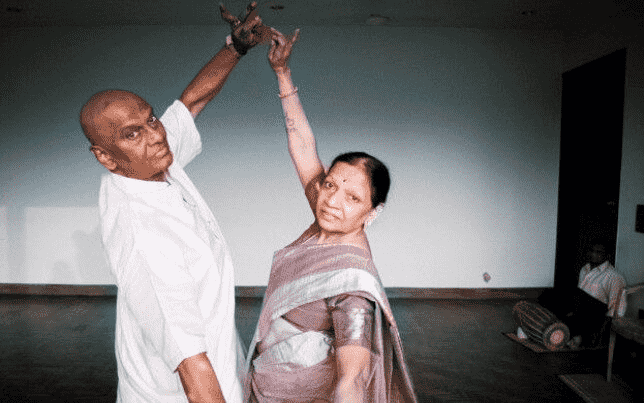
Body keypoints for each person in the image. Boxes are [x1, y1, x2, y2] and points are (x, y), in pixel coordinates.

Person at [79, 3, 269, 402]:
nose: (156, 135)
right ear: (105, 156)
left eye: (150, 119)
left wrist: (234, 48)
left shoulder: (149, 163)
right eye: (133, 133)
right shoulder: (144, 236)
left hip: (220, 370)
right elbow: (190, 364)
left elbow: (191, 103)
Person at [241, 28, 417, 403]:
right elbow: (303, 145)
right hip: (267, 378)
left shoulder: (353, 284)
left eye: (353, 197)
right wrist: (282, 72)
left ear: (374, 211)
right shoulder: (327, 216)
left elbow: (350, 380)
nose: (333, 201)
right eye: (331, 184)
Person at [515, 240, 626, 349]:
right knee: (549, 296)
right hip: (580, 308)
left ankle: (574, 336)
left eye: (598, 252)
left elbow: (618, 310)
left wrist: (602, 332)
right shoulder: (585, 269)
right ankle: (533, 329)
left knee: (571, 307)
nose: (593, 254)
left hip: (595, 314)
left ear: (607, 255)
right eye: (591, 251)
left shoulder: (614, 277)